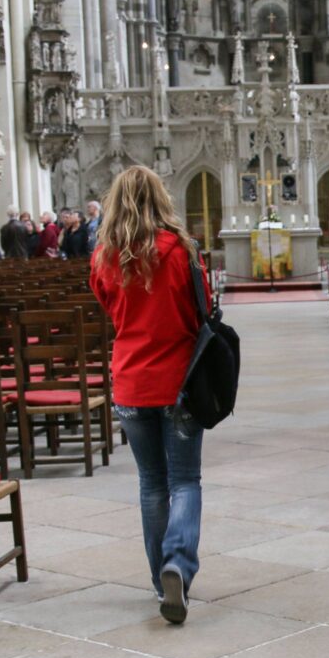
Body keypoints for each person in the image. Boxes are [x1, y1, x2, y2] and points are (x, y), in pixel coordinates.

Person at [90, 165, 210, 625]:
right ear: (161, 198)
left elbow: (112, 312)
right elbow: (199, 310)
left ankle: (162, 582)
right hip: (178, 381)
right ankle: (177, 561)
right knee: (185, 481)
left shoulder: (104, 256)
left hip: (131, 381)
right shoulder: (180, 249)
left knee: (151, 484)